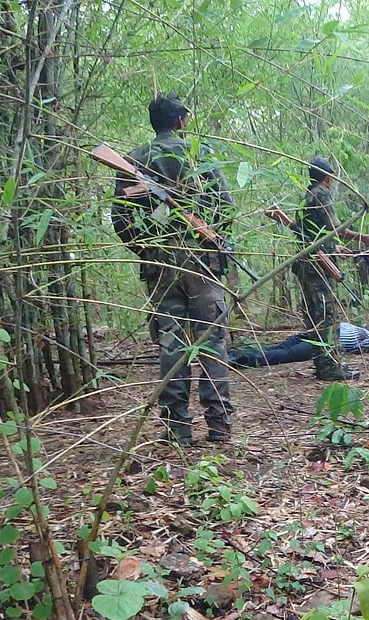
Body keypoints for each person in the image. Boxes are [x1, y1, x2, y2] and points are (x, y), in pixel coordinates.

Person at [111, 93, 235, 447]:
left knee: (172, 345)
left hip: (160, 267)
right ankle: (220, 426)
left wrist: (146, 248)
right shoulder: (198, 154)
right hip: (200, 264)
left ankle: (177, 429)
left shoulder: (135, 160)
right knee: (211, 343)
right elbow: (225, 205)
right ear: (181, 121)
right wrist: (210, 236)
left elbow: (120, 217)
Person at [292, 157, 369, 381]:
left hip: (312, 262)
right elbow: (335, 228)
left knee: (316, 315)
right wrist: (363, 237)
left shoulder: (308, 196)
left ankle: (326, 363)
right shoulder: (321, 193)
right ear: (328, 178)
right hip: (317, 268)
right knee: (325, 315)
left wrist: (334, 247)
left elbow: (313, 233)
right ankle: (329, 366)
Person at [228, 323, 369, 368]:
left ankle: (238, 354)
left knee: (279, 348)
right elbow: (366, 347)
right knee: (285, 354)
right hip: (328, 340)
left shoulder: (352, 326)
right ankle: (241, 359)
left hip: (320, 330)